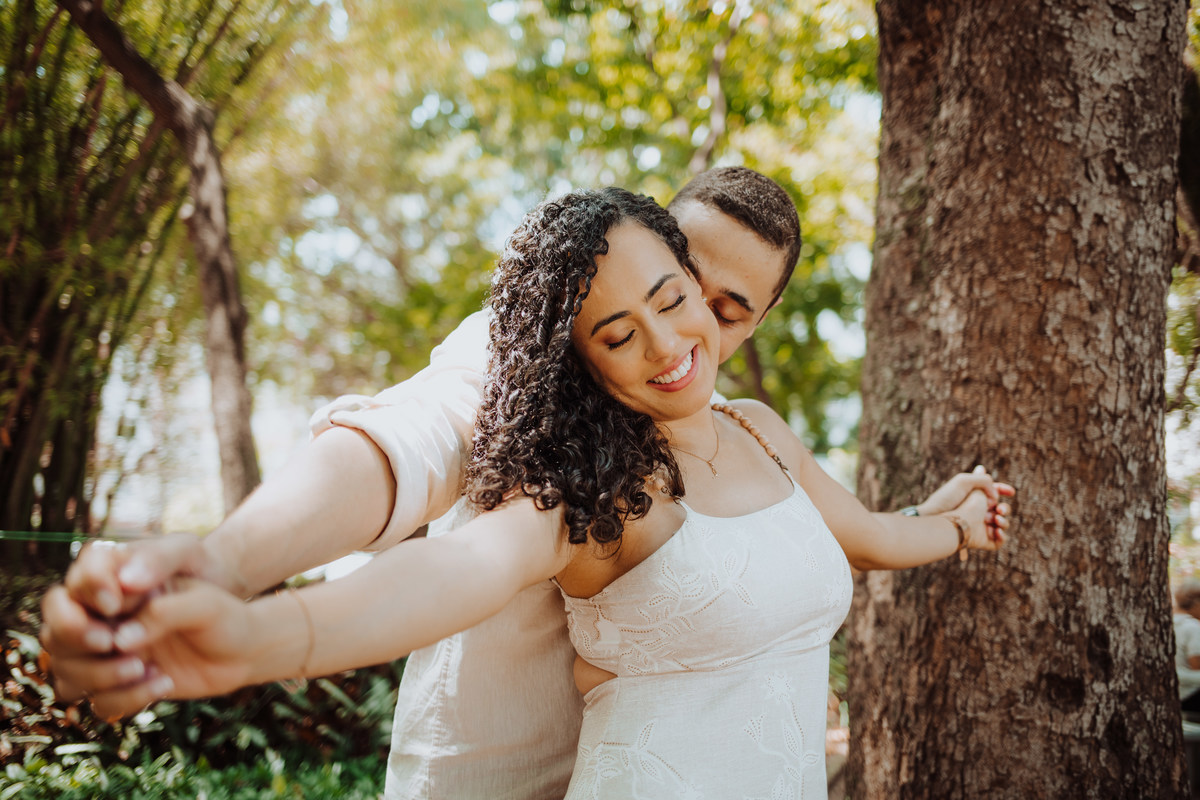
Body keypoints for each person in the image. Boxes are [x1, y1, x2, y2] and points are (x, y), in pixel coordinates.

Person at [41, 171, 1013, 799]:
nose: (686, 338)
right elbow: (428, 488)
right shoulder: (553, 401)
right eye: (645, 308)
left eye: (722, 309)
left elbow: (861, 532)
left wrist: (953, 520)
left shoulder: (757, 431)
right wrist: (241, 600)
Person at [1176, 581, 1200, 715]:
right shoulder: (1193, 627)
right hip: (1189, 694)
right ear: (1196, 603)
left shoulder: (1171, 622)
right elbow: (1196, 665)